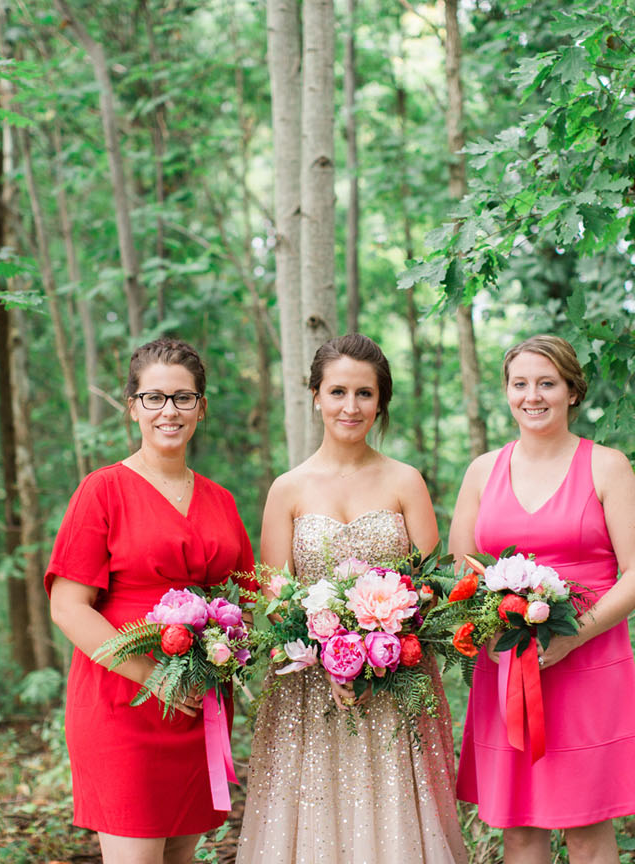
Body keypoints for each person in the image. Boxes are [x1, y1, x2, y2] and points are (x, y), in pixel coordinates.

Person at [236, 334, 466, 864]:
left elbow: (429, 588)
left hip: (394, 680)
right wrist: (326, 643)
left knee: (392, 815)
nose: (351, 406)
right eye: (338, 391)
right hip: (306, 688)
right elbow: (274, 593)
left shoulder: (406, 481)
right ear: (315, 395)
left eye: (365, 393)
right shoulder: (287, 488)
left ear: (381, 401)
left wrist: (377, 645)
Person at [450, 334, 635, 864]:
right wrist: (488, 625)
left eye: (547, 383)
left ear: (572, 390)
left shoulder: (607, 466)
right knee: (519, 828)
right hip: (505, 665)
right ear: (507, 392)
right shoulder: (482, 471)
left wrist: (572, 636)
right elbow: (461, 569)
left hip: (588, 662)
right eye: (520, 384)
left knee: (587, 827)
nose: (533, 396)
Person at [46, 338, 254, 864]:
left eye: (183, 398)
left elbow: (249, 597)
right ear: (132, 406)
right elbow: (68, 607)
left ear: (201, 408)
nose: (170, 411)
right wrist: (151, 674)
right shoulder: (103, 490)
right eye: (154, 398)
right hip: (122, 702)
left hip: (198, 705)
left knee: (183, 856)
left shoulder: (220, 500)